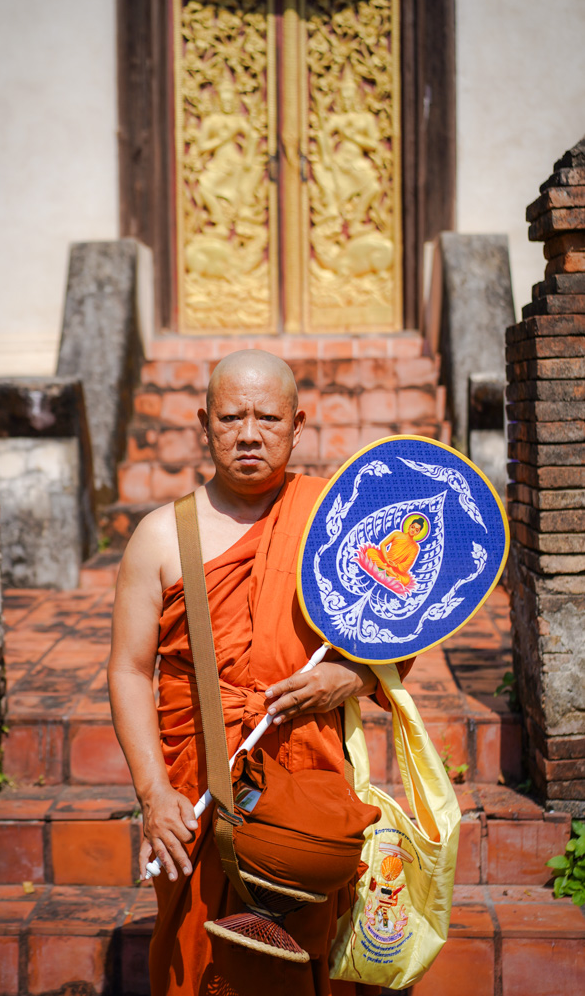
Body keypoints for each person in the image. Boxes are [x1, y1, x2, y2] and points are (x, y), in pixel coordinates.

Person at [108, 350, 413, 996]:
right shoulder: (161, 536)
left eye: (268, 418)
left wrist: (354, 679)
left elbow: (398, 624)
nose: (249, 434)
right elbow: (130, 670)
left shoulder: (336, 522)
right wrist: (154, 793)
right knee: (198, 960)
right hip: (198, 782)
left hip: (306, 788)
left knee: (308, 954)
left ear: (297, 426)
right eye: (230, 418)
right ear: (204, 424)